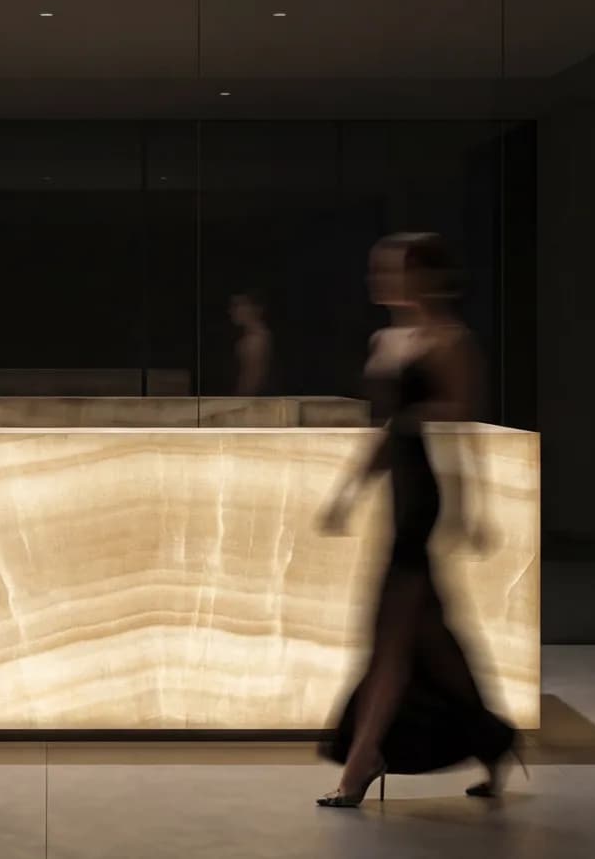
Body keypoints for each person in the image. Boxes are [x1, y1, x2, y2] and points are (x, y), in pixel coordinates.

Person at [313, 232, 518, 808]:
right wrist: (350, 491)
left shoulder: (453, 342)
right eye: (380, 269)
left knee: (390, 640)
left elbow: (462, 426)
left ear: (426, 278)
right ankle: (493, 741)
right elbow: (387, 428)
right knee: (430, 639)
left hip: (423, 498)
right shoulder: (385, 339)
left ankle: (362, 760)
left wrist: (474, 508)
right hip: (397, 491)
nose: (383, 280)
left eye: (395, 270)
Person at [229, 291, 272, 397]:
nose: (232, 311)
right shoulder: (249, 339)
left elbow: (251, 386)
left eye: (239, 305)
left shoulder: (256, 340)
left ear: (256, 309)